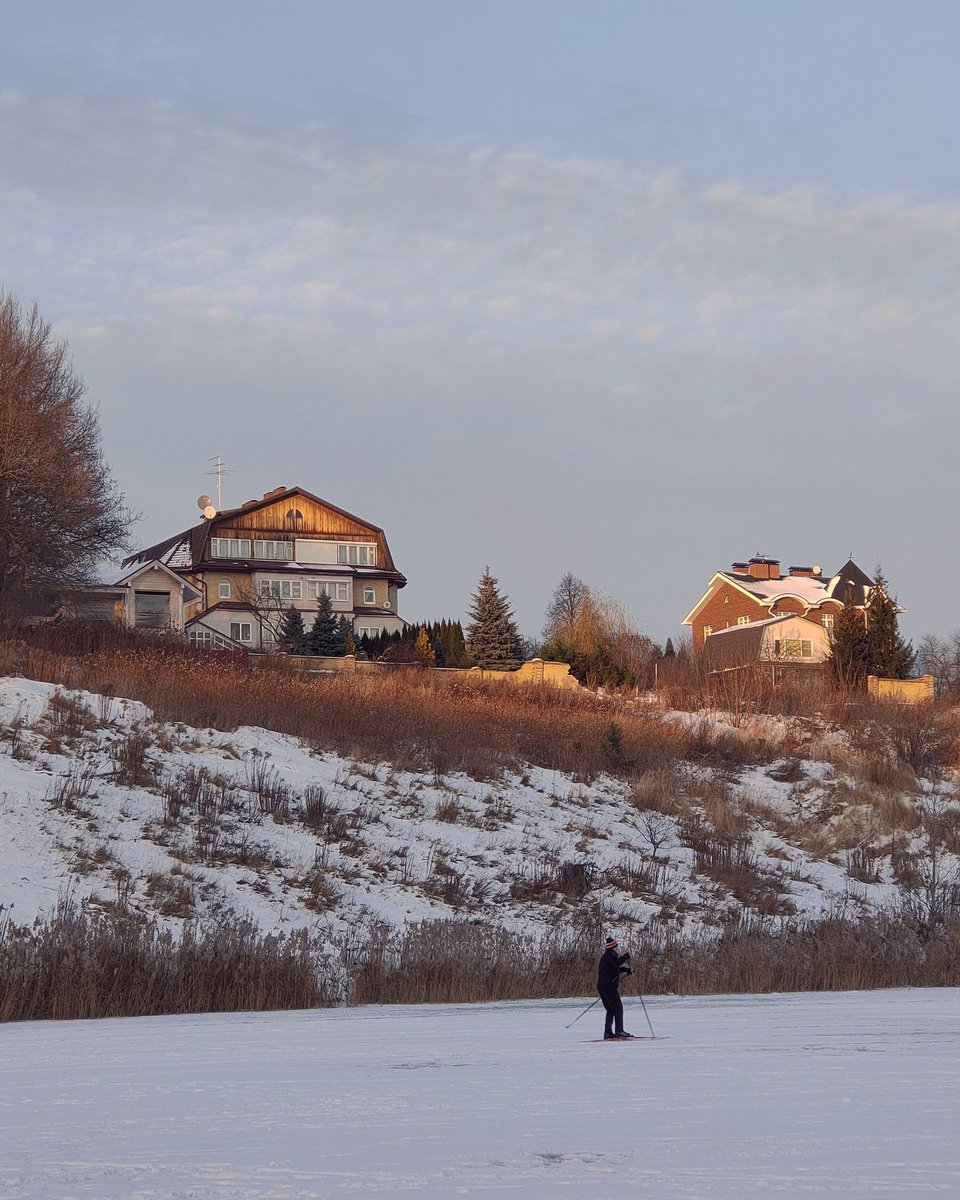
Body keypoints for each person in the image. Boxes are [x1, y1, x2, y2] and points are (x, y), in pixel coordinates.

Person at [597, 935, 632, 1040]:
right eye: (616, 946)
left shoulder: (607, 956)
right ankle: (619, 1031)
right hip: (609, 987)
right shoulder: (610, 955)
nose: (617, 948)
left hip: (603, 987)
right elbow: (616, 963)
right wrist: (625, 957)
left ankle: (608, 1032)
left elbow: (614, 968)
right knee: (618, 1008)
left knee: (610, 1010)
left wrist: (626, 970)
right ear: (613, 947)